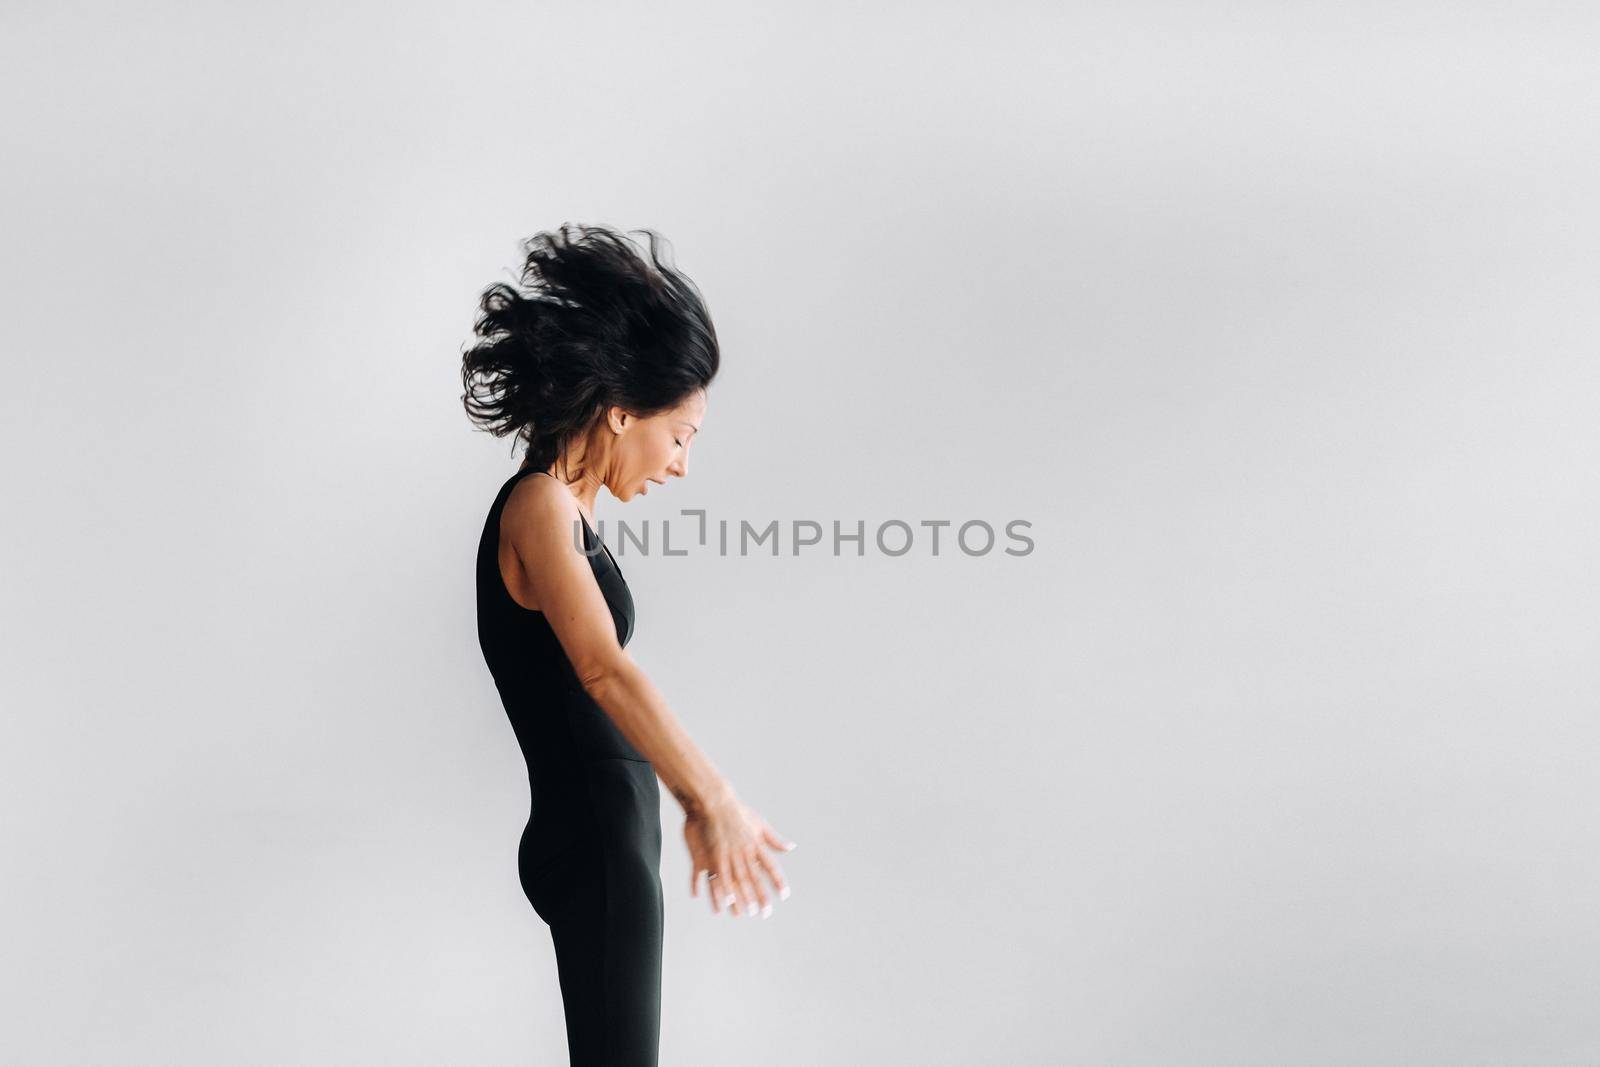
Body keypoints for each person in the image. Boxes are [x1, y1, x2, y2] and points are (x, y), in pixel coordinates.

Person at [461, 224, 795, 1066]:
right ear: (619, 412)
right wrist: (711, 797)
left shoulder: (569, 510)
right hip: (598, 840)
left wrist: (679, 805)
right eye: (680, 435)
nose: (682, 465)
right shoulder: (539, 507)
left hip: (606, 832)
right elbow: (602, 669)